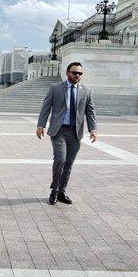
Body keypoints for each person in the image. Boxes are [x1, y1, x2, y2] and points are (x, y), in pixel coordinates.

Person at [36, 61, 98, 205]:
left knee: (69, 164)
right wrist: (41, 125)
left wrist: (93, 129)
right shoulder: (55, 88)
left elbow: (90, 111)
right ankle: (54, 189)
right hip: (59, 130)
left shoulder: (86, 91)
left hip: (75, 132)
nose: (77, 75)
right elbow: (46, 108)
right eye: (74, 72)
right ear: (67, 73)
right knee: (60, 160)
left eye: (80, 73)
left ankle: (61, 191)